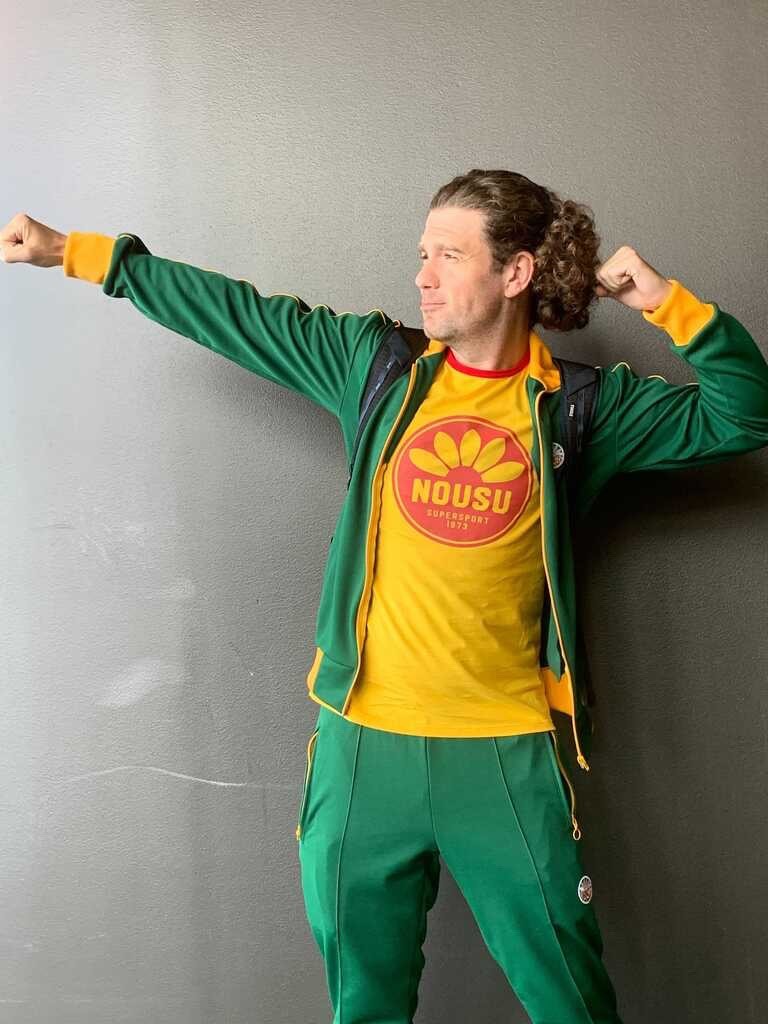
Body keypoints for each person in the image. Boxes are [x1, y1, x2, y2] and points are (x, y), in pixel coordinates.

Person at [3, 169, 768, 1024]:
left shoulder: (581, 408)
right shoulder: (377, 366)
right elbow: (235, 313)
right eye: (422, 253)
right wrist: (78, 253)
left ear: (515, 272)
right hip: (363, 746)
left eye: (449, 255)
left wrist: (668, 305)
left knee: (571, 1005)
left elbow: (745, 416)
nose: (422, 276)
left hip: (503, 752)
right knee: (363, 1005)